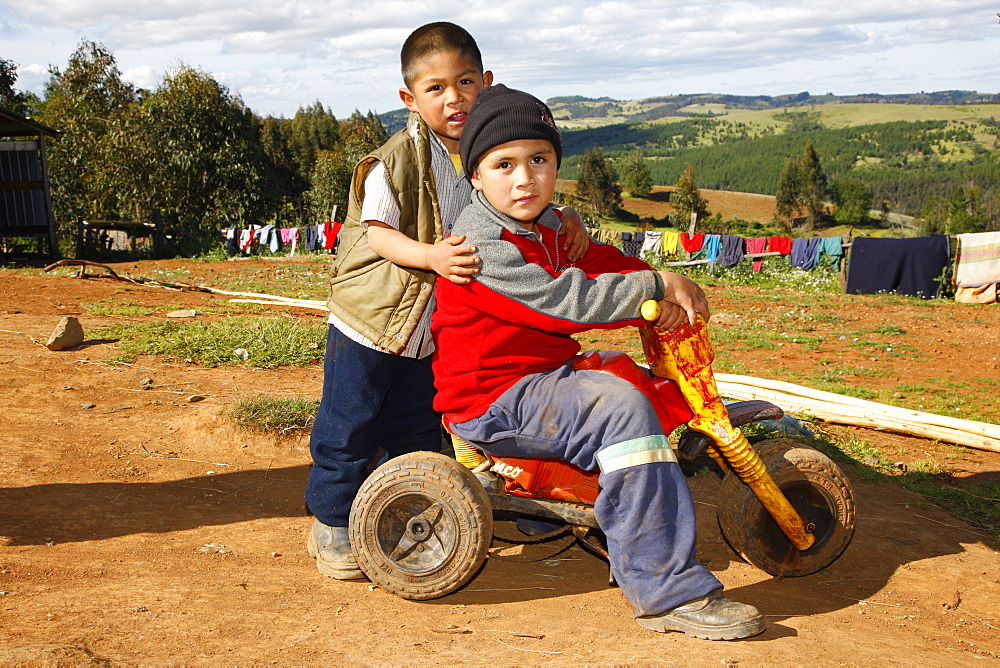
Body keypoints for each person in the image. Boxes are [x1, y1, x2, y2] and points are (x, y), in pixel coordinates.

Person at [431, 84, 766, 641]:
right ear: (474, 176)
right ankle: (665, 591)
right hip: (493, 400)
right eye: (504, 164)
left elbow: (597, 261)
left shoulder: (545, 226)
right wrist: (654, 284)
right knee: (621, 409)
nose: (524, 178)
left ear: (556, 164)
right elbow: (568, 301)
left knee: (628, 376)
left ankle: (617, 494)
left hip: (540, 381)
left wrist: (650, 283)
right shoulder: (481, 246)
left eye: (539, 160)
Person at [305, 23, 589, 581]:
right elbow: (376, 233)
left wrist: (565, 219)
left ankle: (412, 511)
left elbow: (516, 206)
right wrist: (431, 255)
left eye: (464, 82)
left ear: (486, 81)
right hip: (374, 320)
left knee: (419, 428)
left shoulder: (492, 150)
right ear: (410, 99)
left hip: (435, 327)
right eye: (435, 88)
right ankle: (334, 522)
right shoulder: (397, 160)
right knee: (351, 424)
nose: (453, 98)